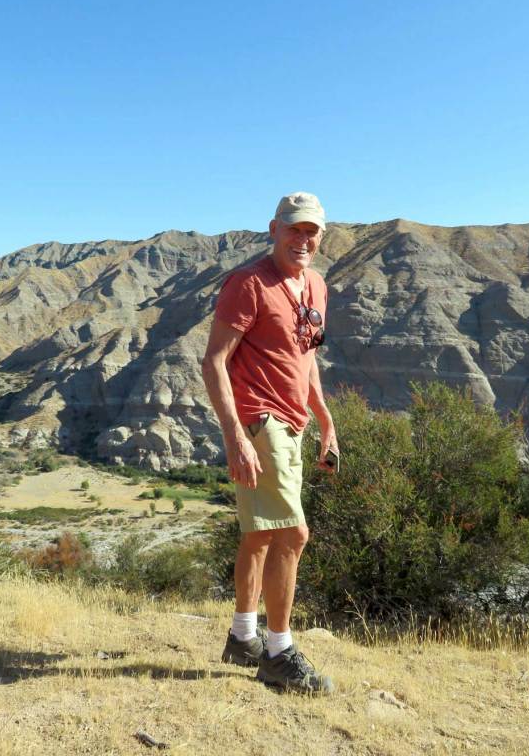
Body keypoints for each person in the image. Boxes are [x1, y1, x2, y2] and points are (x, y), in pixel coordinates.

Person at [201, 191, 338, 695]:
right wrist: (234, 434)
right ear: (273, 229)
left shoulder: (316, 286)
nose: (302, 239)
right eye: (293, 229)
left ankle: (242, 637)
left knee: (260, 534)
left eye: (311, 232)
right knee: (293, 535)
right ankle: (279, 653)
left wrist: (325, 420)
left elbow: (306, 358)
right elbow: (214, 361)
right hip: (260, 423)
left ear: (320, 237)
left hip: (293, 422)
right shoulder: (248, 283)